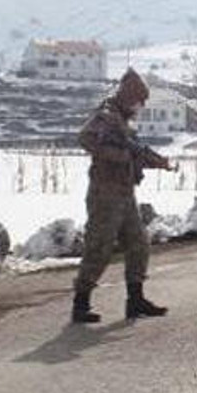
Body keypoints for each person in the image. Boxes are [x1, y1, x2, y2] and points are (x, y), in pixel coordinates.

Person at [71, 68, 174, 323]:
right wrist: (119, 156)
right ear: (129, 97)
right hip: (105, 193)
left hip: (125, 194)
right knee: (99, 246)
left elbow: (136, 153)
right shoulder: (106, 116)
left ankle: (135, 300)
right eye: (139, 101)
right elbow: (85, 138)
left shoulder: (123, 123)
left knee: (139, 244)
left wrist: (159, 162)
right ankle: (81, 304)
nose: (141, 107)